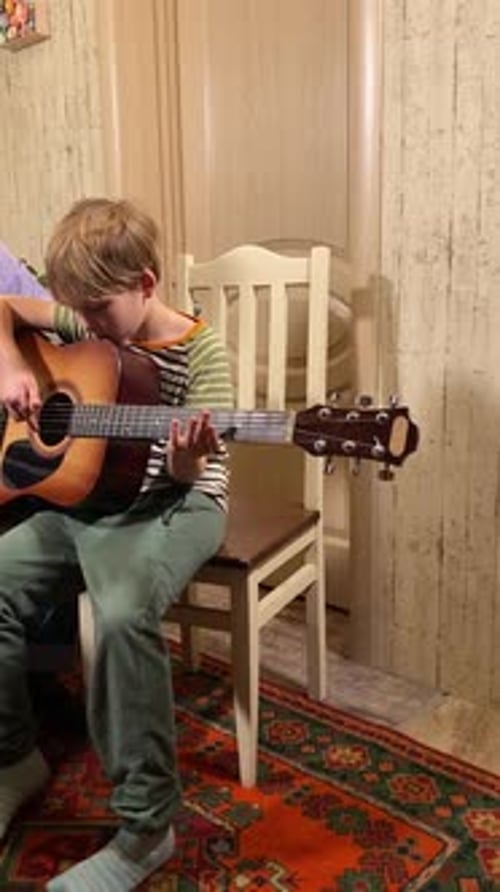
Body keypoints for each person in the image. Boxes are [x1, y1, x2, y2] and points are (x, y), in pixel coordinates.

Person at [0, 197, 234, 891]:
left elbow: (197, 470)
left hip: (181, 500)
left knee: (123, 613)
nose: (87, 324)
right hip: (90, 491)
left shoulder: (203, 352)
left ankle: (145, 829)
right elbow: (6, 310)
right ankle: (15, 756)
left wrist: (188, 458)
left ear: (147, 283)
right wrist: (12, 366)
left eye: (99, 310)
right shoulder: (89, 315)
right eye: (80, 311)